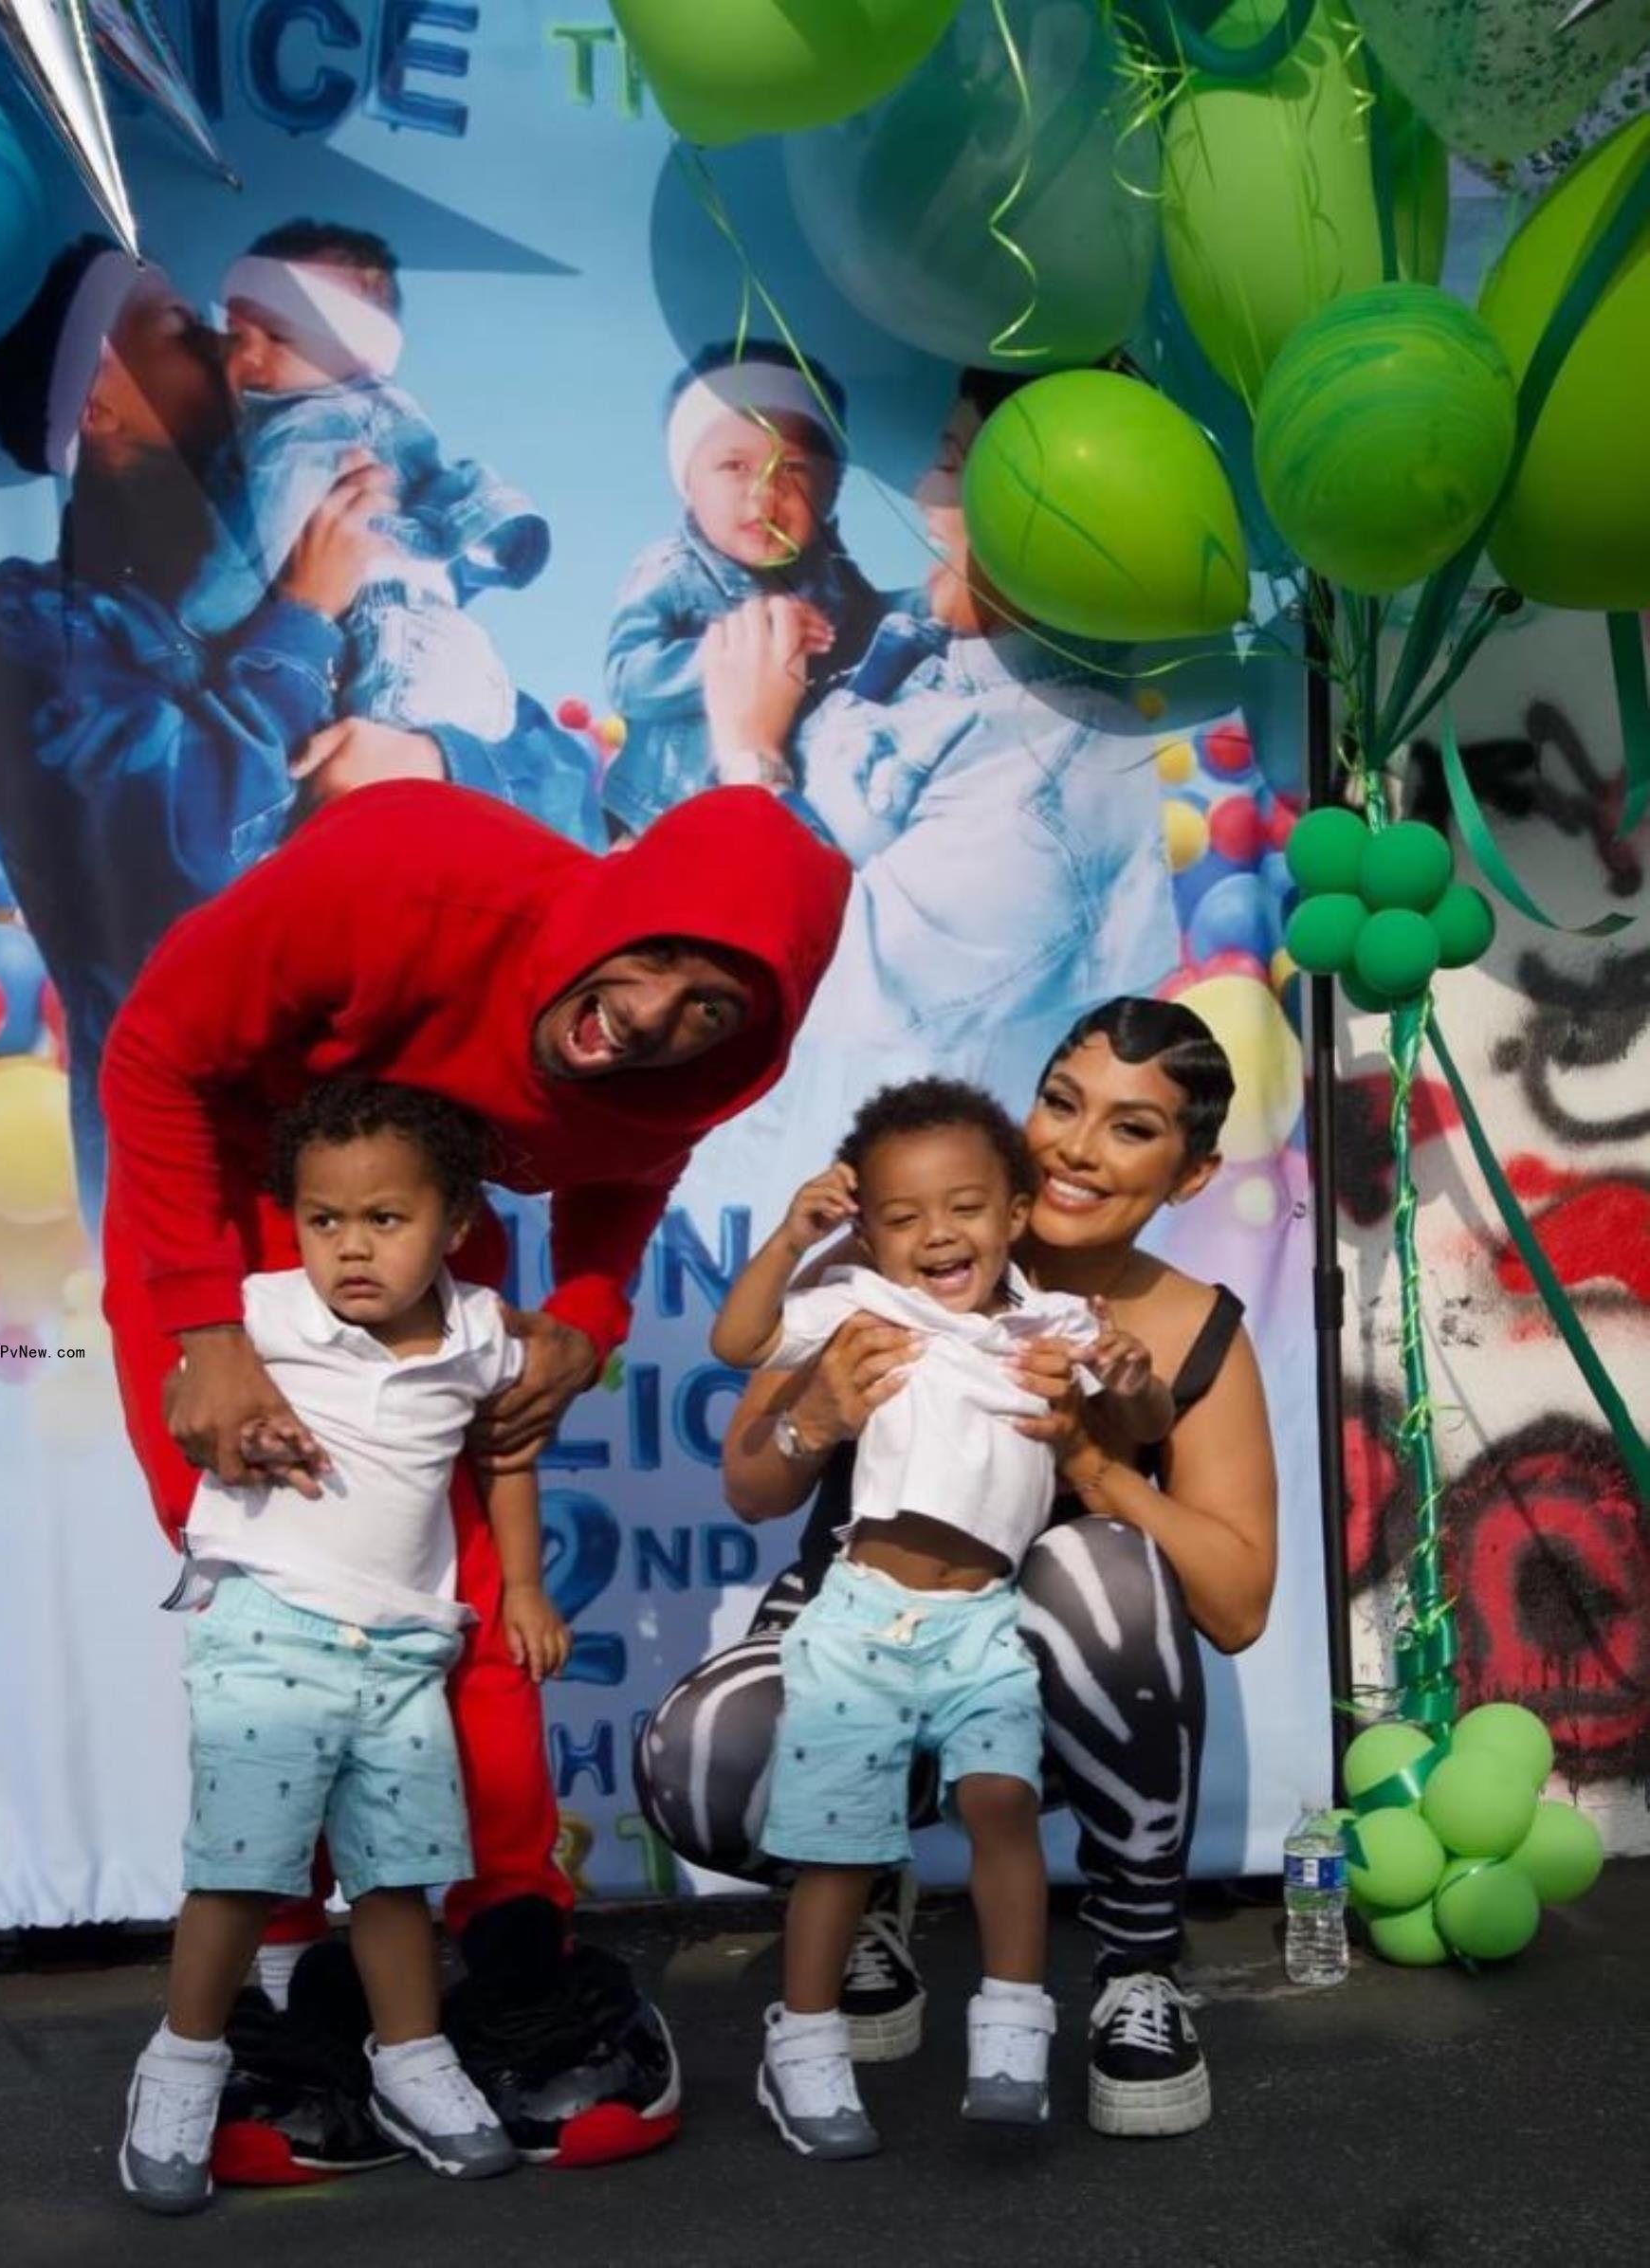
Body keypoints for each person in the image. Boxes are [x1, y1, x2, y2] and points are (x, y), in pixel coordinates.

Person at [101, 777, 851, 2167]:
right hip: (230, 1211)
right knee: (282, 1616)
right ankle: (268, 1988)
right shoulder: (406, 877)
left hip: (418, 1230)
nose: (651, 1017)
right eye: (661, 956)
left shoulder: (664, 1074)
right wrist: (206, 1329)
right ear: (620, 890)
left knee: (459, 1605)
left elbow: (626, 1167)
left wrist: (587, 1318)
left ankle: (503, 1953)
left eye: (713, 1008)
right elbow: (152, 1049)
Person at [635, 997, 1278, 2140]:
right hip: (868, 1623)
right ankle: (863, 1894)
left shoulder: (1177, 1332)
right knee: (707, 1758)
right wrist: (818, 1411)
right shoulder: (895, 1252)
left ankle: (1136, 1968)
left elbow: (1234, 1605)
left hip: (1029, 1673)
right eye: (1063, 1104)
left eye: (1132, 1129)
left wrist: (1100, 1465)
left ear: (1191, 1175)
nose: (1079, 1146)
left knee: (1104, 1567)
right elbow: (753, 1482)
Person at [121, 1078, 570, 2213]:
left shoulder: (478, 1332)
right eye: (326, 1220)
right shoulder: (264, 1312)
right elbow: (190, 1397)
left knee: (399, 1873)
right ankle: (182, 2061)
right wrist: (238, 1420)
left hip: (408, 1651)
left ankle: (413, 2059)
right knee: (241, 1869)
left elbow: (505, 1458)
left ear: (457, 1223)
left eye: (386, 1219)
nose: (352, 1248)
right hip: (272, 1628)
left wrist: (520, 1585)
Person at [711, 1078, 1171, 2158]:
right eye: (902, 1217)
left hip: (982, 1625)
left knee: (1003, 1803)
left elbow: (1141, 1414)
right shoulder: (862, 1310)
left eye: (963, 1206)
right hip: (863, 1620)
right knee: (838, 1854)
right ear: (867, 1230)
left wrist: (1135, 1375)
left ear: (1016, 1211)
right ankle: (807, 2044)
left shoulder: (1052, 1324)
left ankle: (1012, 2034)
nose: (936, 1236)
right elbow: (741, 1342)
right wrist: (790, 1240)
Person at [0, 235, 426, 1222]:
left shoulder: (323, 536)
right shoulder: (38, 625)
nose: (225, 347)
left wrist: (429, 759)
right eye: (178, 331)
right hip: (194, 1200)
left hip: (392, 1176)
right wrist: (300, 619)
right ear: (99, 406)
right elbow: (185, 856)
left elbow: (546, 785)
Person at [698, 367, 1254, 1108]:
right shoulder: (945, 670)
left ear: (1057, 525)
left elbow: (836, 982)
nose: (925, 495)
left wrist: (752, 755)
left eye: (956, 468)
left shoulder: (1056, 779)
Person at [185, 223, 587, 839]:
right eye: (237, 334)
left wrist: (194, 611)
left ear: (352, 351)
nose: (248, 358)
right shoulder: (383, 421)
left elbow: (238, 570)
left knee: (373, 834)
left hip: (395, 654)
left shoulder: (308, 427)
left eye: (280, 336)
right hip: (456, 664)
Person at [601, 342, 882, 841]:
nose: (764, 495)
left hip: (785, 803)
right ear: (689, 481)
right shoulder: (671, 569)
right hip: (659, 814)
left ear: (832, 488)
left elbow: (872, 632)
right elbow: (628, 677)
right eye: (735, 466)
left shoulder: (835, 579)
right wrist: (731, 651)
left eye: (793, 469)